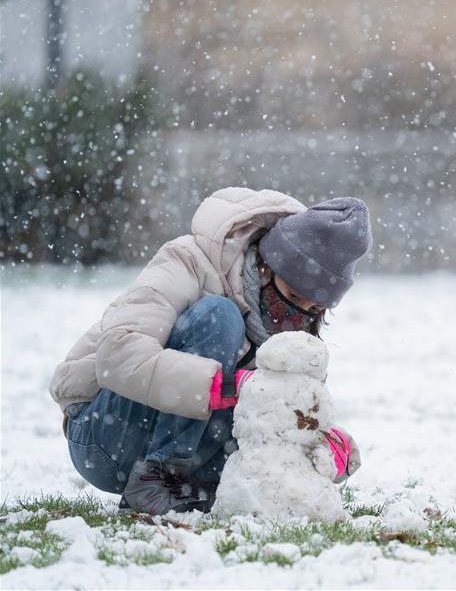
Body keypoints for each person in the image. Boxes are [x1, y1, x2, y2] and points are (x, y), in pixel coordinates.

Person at [48, 187, 371, 515]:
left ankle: (186, 491)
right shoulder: (190, 261)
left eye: (313, 307)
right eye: (292, 294)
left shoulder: (298, 333)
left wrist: (326, 445)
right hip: (105, 437)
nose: (296, 313)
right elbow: (118, 356)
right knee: (220, 316)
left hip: (200, 458)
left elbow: (286, 424)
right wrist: (226, 387)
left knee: (292, 381)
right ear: (267, 264)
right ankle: (159, 479)